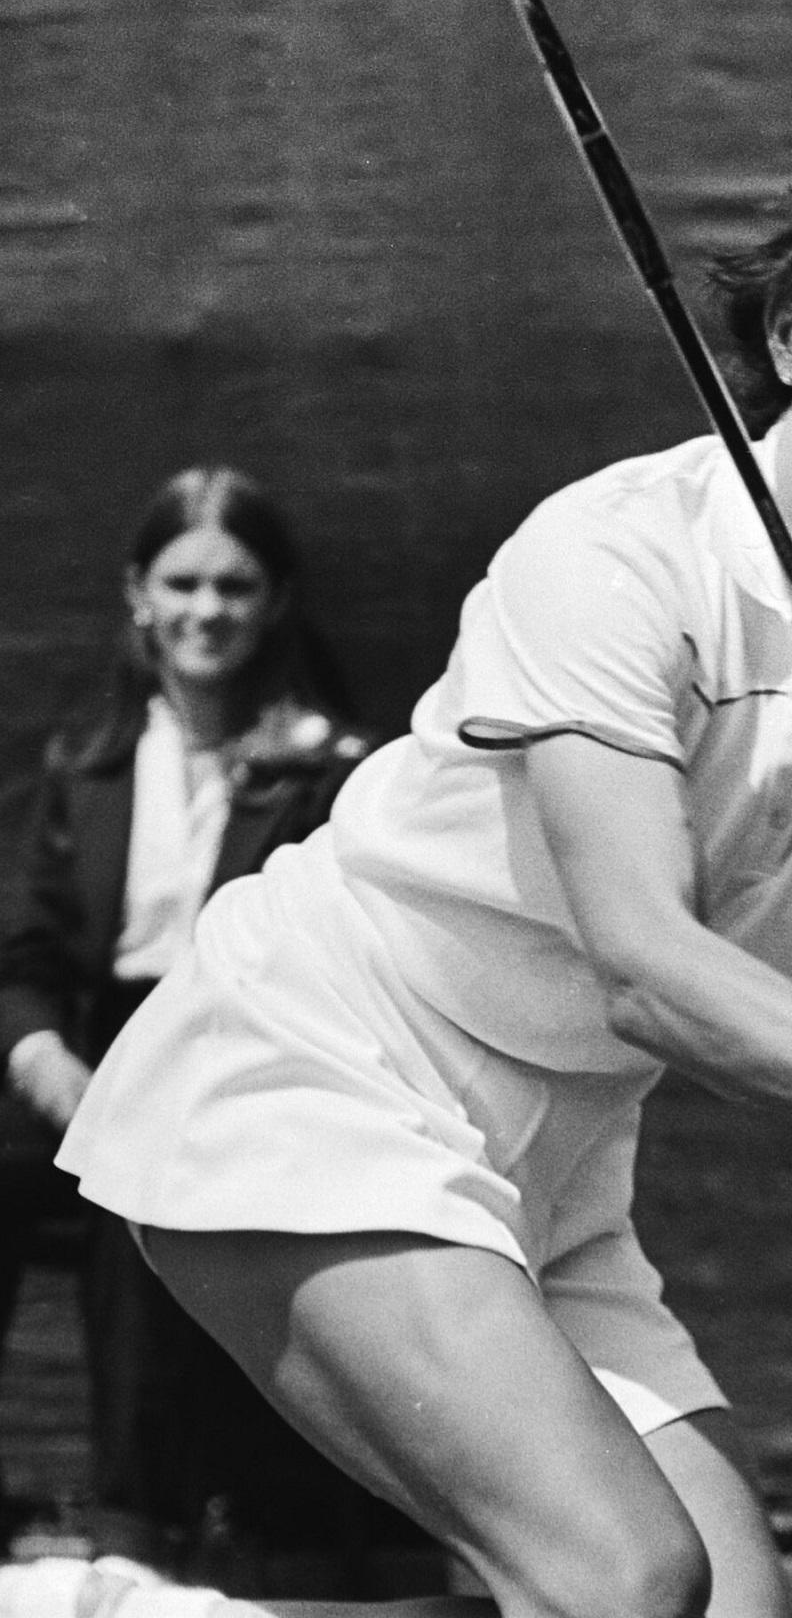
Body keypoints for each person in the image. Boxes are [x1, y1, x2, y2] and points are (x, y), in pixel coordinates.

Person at [57, 123, 792, 1618]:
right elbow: (643, 964)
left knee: (726, 1612)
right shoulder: (616, 551)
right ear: (786, 330)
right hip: (320, 1064)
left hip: (556, 1162)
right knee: (621, 1581)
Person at [0, 468, 425, 1581]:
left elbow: (342, 959)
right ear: (138, 594)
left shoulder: (326, 770)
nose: (206, 611)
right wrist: (59, 1073)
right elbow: (27, 965)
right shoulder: (84, 767)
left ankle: (142, 1541)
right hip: (85, 1065)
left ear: (274, 600)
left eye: (233, 585)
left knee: (145, 1180)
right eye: (181, 582)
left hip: (244, 1066)